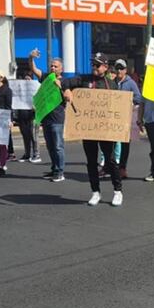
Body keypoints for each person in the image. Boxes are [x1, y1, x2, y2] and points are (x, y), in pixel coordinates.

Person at [63, 53, 123, 206]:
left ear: (105, 67)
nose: (94, 67)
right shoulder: (83, 79)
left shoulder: (112, 84)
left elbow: (119, 106)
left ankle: (117, 191)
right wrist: (67, 90)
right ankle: (95, 192)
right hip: (88, 129)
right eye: (93, 65)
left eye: (97, 65)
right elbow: (63, 82)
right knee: (91, 161)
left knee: (110, 161)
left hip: (106, 129)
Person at [113, 59, 143, 180]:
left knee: (125, 145)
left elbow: (138, 98)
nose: (119, 70)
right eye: (117, 68)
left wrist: (128, 101)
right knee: (111, 144)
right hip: (113, 118)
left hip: (125, 119)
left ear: (125, 70)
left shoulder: (130, 83)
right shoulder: (111, 82)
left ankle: (122, 168)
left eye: (121, 68)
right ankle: (110, 167)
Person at [40, 58, 66, 182]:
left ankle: (60, 172)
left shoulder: (65, 81)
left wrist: (60, 86)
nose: (53, 68)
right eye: (51, 66)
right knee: (50, 146)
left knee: (58, 146)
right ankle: (54, 168)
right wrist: (31, 59)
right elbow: (35, 70)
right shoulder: (47, 79)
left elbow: (67, 97)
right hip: (46, 118)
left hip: (57, 119)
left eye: (55, 66)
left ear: (61, 69)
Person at [15, 50, 43, 164]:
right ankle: (27, 153)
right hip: (23, 114)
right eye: (25, 77)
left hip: (33, 115)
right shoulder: (19, 88)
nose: (27, 79)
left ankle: (36, 154)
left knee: (34, 136)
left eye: (29, 77)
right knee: (25, 134)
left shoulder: (37, 87)